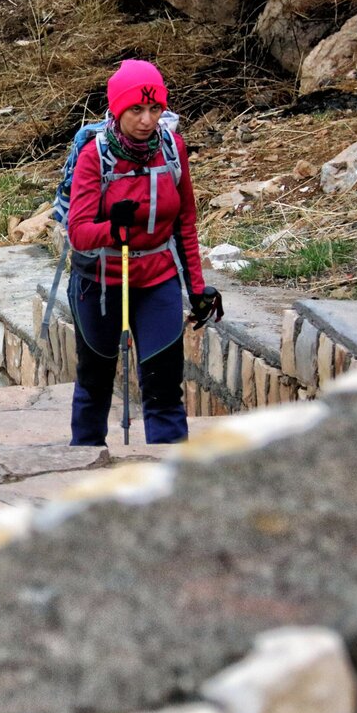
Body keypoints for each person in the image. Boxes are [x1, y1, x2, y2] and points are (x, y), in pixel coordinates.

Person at [65, 59, 221, 446]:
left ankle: (172, 493)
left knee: (164, 387)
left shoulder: (172, 149)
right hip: (100, 284)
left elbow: (185, 221)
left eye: (155, 109)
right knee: (94, 387)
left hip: (157, 281)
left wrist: (197, 288)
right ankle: (86, 482)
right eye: (137, 109)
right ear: (118, 109)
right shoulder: (94, 156)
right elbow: (78, 232)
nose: (148, 120)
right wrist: (113, 229)